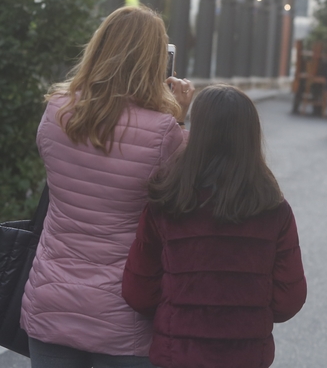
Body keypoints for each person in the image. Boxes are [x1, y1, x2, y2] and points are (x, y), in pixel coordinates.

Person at [21, 6, 195, 368]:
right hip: (122, 315)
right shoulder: (164, 133)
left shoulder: (57, 112)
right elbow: (182, 195)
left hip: (51, 301)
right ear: (154, 63)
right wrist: (179, 116)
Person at [122, 85, 307, 368]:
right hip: (246, 357)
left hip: (176, 355)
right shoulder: (274, 210)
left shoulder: (167, 203)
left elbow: (138, 292)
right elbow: (288, 301)